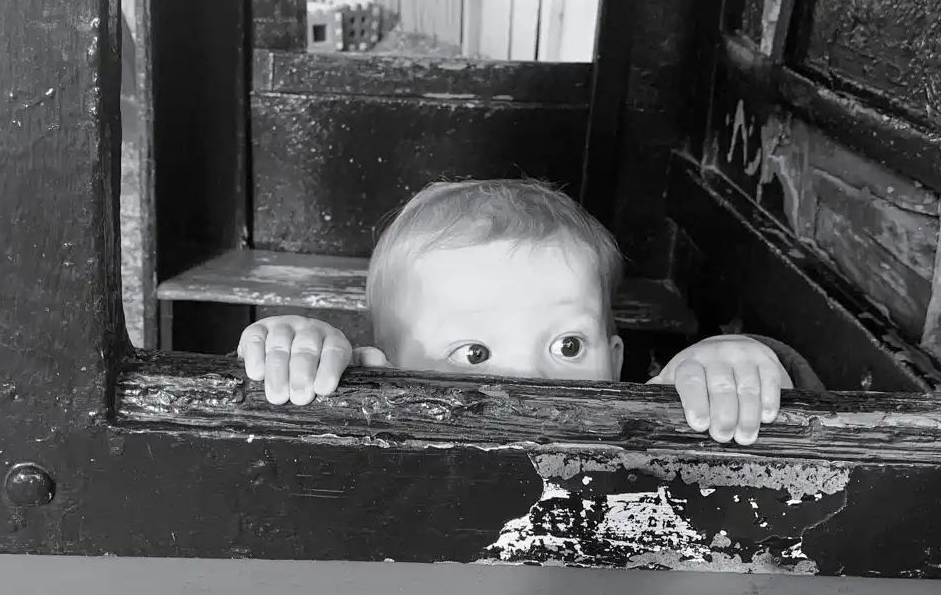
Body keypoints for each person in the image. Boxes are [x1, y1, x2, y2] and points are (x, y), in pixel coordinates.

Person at [238, 179, 823, 446]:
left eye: (568, 346)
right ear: (386, 369)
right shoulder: (378, 417)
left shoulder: (650, 421)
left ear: (616, 362)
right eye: (473, 353)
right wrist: (305, 360)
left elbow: (805, 412)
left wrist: (724, 370)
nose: (528, 382)